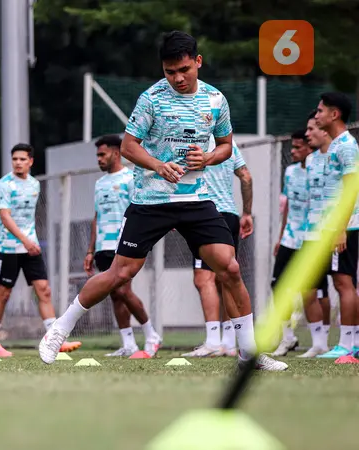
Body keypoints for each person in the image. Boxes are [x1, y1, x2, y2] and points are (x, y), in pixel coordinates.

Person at [38, 31, 287, 371]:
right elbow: (128, 147)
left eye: (183, 69)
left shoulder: (216, 100)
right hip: (151, 199)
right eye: (170, 71)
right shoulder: (151, 99)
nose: (177, 78)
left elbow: (226, 146)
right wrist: (158, 165)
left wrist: (210, 158)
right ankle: (58, 330)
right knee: (119, 273)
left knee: (229, 267)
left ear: (198, 62)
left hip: (197, 200)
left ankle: (249, 353)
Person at [0, 143, 81, 357]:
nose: (18, 163)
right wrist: (24, 240)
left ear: (31, 161)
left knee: (44, 290)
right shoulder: (4, 185)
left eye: (22, 159)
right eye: (15, 159)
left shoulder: (35, 184)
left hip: (31, 247)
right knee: (2, 294)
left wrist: (30, 242)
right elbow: (5, 216)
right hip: (8, 248)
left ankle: (54, 340)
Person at [84, 135, 162, 357]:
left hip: (124, 244)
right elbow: (96, 217)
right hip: (103, 246)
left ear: (116, 153)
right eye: (97, 155)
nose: (99, 159)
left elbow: (141, 209)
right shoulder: (99, 184)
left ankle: (151, 335)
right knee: (115, 295)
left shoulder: (130, 178)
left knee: (123, 290)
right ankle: (128, 344)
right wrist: (91, 250)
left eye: (102, 154)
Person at [182, 136, 253, 357]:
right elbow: (246, 177)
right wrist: (247, 212)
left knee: (204, 279)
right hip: (229, 214)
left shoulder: (190, 139)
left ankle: (214, 341)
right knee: (227, 277)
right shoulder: (228, 145)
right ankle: (229, 343)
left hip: (204, 214)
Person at [271, 126, 330, 357]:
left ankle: (321, 341)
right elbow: (287, 208)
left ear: (309, 148)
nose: (293, 151)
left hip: (313, 238)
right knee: (278, 288)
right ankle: (287, 338)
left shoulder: (320, 169)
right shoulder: (290, 172)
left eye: (298, 147)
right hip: (290, 238)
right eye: (292, 147)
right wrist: (280, 235)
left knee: (317, 292)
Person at [309, 93, 359, 358]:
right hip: (335, 226)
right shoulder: (336, 145)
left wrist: (340, 228)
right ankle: (350, 343)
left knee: (344, 283)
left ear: (334, 114)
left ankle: (348, 345)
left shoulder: (346, 146)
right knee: (342, 282)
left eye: (319, 111)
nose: (316, 116)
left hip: (346, 227)